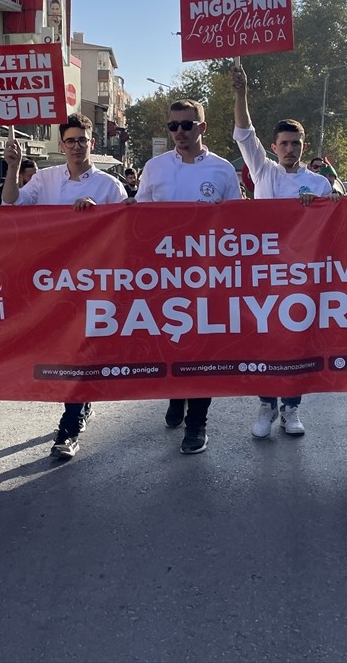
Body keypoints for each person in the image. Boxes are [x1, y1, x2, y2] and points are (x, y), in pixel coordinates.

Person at [2, 113, 127, 459]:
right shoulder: (45, 179)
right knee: (58, 352)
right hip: (49, 284)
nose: (75, 146)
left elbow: (124, 234)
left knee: (79, 349)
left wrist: (97, 214)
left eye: (81, 140)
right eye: (69, 141)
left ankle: (68, 428)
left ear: (92, 142)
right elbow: (11, 205)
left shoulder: (109, 186)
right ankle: (81, 405)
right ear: (61, 145)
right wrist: (12, 169)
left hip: (91, 283)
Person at [231, 60, 333, 440]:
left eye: (295, 143)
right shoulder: (264, 171)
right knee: (265, 339)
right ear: (273, 147)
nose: (289, 148)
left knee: (295, 340)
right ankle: (265, 404)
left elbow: (333, 228)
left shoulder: (319, 185)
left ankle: (291, 409)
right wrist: (241, 93)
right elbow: (244, 132)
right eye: (283, 143)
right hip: (263, 273)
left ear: (304, 147)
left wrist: (319, 209)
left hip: (302, 276)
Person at [135, 99, 241, 454]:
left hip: (209, 278)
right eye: (173, 126)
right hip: (163, 278)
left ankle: (197, 423)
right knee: (170, 343)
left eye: (187, 125)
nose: (179, 132)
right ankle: (176, 393)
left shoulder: (223, 170)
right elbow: (138, 223)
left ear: (202, 128)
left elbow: (240, 225)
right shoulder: (154, 168)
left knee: (203, 349)